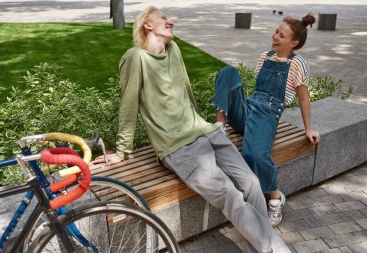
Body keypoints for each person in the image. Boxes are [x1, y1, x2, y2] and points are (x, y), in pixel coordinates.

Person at [93, 6, 291, 253]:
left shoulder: (173, 50)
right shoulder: (136, 57)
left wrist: (204, 125)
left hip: (206, 132)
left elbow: (185, 92)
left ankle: (260, 249)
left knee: (251, 182)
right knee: (231, 196)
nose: (171, 22)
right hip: (179, 148)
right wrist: (122, 151)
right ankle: (277, 250)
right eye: (164, 19)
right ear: (148, 25)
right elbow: (128, 103)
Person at [213, 14, 320, 227]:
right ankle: (219, 124)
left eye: (282, 35)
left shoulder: (298, 64)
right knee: (228, 72)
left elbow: (303, 98)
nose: (275, 36)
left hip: (268, 114)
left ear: (294, 42)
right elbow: (257, 91)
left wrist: (309, 129)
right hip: (249, 107)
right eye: (276, 32)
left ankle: (275, 197)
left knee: (254, 154)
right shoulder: (265, 56)